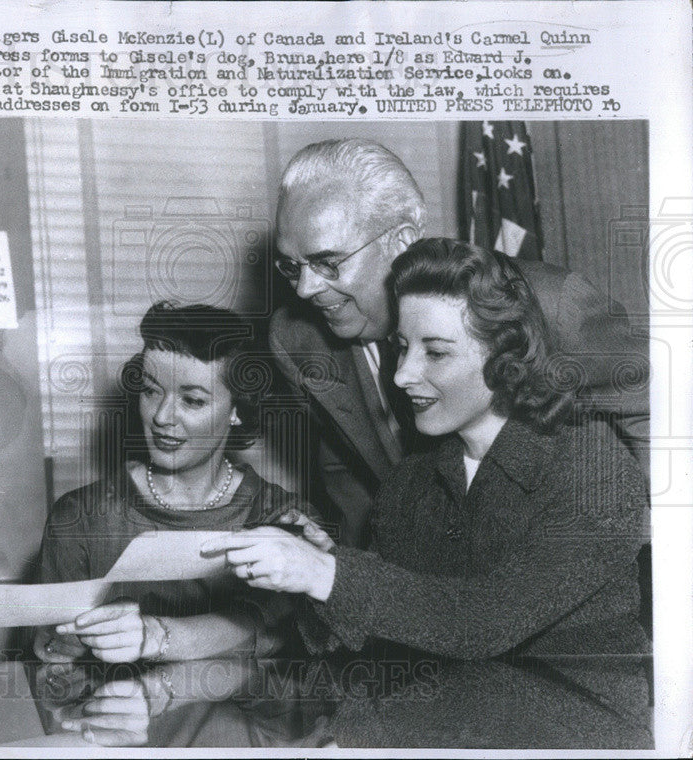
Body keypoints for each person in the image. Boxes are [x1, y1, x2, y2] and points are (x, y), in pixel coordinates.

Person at [203, 239, 651, 748]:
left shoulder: (594, 469)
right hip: (446, 719)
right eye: (401, 347)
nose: (402, 375)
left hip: (582, 730)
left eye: (435, 352)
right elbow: (388, 639)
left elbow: (481, 621)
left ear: (506, 359)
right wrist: (315, 565)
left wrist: (327, 573)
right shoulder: (411, 482)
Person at [268, 139, 649, 547]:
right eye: (292, 266)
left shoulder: (552, 305)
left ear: (401, 241)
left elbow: (658, 412)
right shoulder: (297, 338)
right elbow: (347, 473)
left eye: (328, 262)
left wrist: (644, 538)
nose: (306, 289)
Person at [33, 301, 319, 668]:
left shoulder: (283, 519)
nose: (162, 417)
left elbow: (286, 644)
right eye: (152, 391)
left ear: (238, 409)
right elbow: (54, 664)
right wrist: (56, 647)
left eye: (192, 400)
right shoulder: (80, 518)